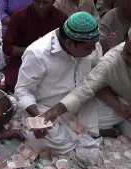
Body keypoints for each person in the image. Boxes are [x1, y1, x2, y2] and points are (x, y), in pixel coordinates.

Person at [15, 12, 123, 154]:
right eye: (88, 47)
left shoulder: (92, 46)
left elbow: (97, 77)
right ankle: (92, 133)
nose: (94, 50)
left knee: (122, 107)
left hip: (81, 104)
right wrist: (40, 119)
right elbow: (22, 91)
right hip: (47, 109)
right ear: (69, 43)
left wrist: (118, 105)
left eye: (95, 44)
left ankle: (83, 133)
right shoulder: (37, 53)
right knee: (38, 138)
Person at [41, 29, 131, 139]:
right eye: (126, 51)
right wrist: (54, 112)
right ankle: (91, 131)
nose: (126, 56)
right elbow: (84, 89)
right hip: (70, 104)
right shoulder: (111, 61)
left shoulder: (93, 52)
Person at [3, 0, 68, 92]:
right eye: (37, 2)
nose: (41, 6)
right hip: (21, 62)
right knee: (13, 85)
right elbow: (7, 48)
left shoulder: (61, 18)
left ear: (53, 2)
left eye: (45, 3)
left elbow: (66, 46)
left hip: (52, 62)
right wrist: (32, 52)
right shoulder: (19, 16)